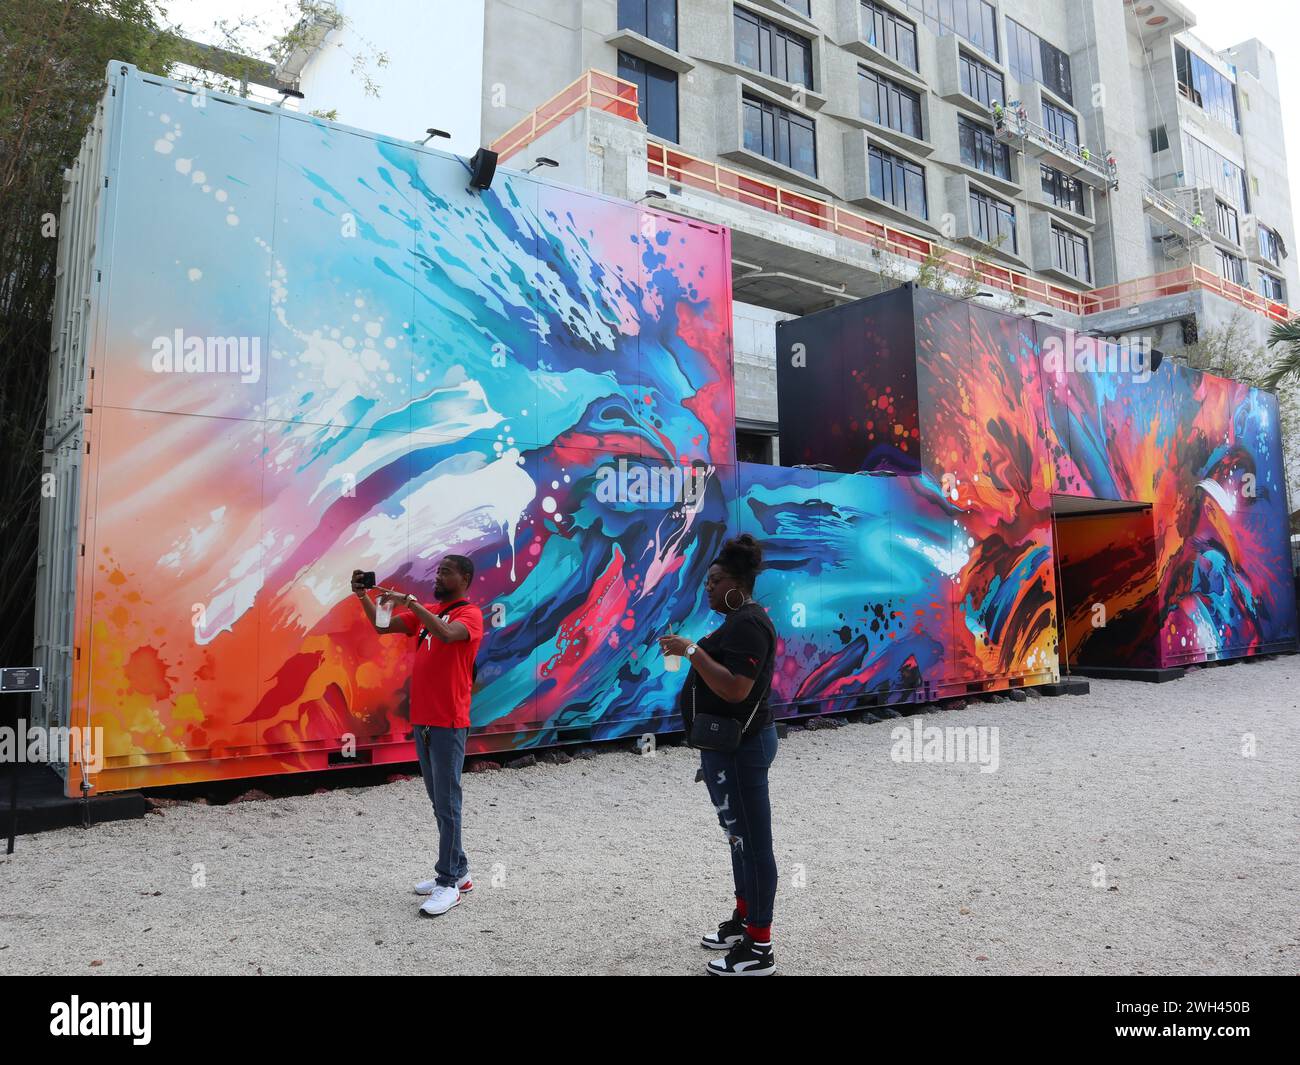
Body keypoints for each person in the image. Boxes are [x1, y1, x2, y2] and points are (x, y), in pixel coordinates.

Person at [659, 534, 779, 976]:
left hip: (743, 748)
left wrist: (690, 650)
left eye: (714, 581)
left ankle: (760, 946)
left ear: (737, 582)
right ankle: (745, 919)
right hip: (725, 748)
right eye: (706, 581)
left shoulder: (748, 623)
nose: (707, 588)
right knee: (738, 838)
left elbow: (735, 687)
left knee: (754, 842)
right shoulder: (735, 620)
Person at [352, 556, 484, 917]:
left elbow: (446, 634)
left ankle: (447, 884)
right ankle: (461, 872)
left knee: (448, 801)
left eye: (446, 572)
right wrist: (365, 596)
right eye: (438, 571)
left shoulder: (468, 615)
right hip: (423, 721)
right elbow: (383, 627)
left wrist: (411, 604)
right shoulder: (427, 612)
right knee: (438, 800)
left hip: (448, 722)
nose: (438, 576)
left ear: (465, 578)